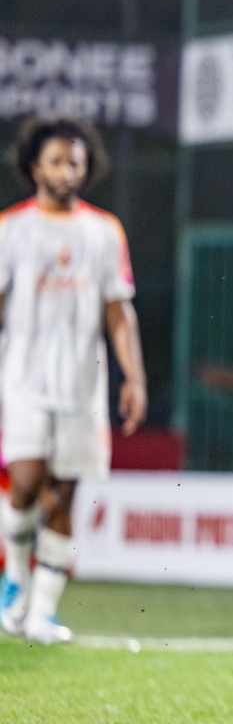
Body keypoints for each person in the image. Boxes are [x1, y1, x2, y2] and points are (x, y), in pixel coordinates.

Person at [0, 117, 146, 644]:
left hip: (84, 384)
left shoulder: (103, 231)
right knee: (26, 483)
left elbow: (118, 311)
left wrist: (134, 377)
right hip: (22, 377)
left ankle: (40, 614)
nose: (68, 171)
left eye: (77, 163)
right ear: (35, 165)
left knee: (65, 495)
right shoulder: (11, 229)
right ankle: (13, 577)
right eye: (58, 160)